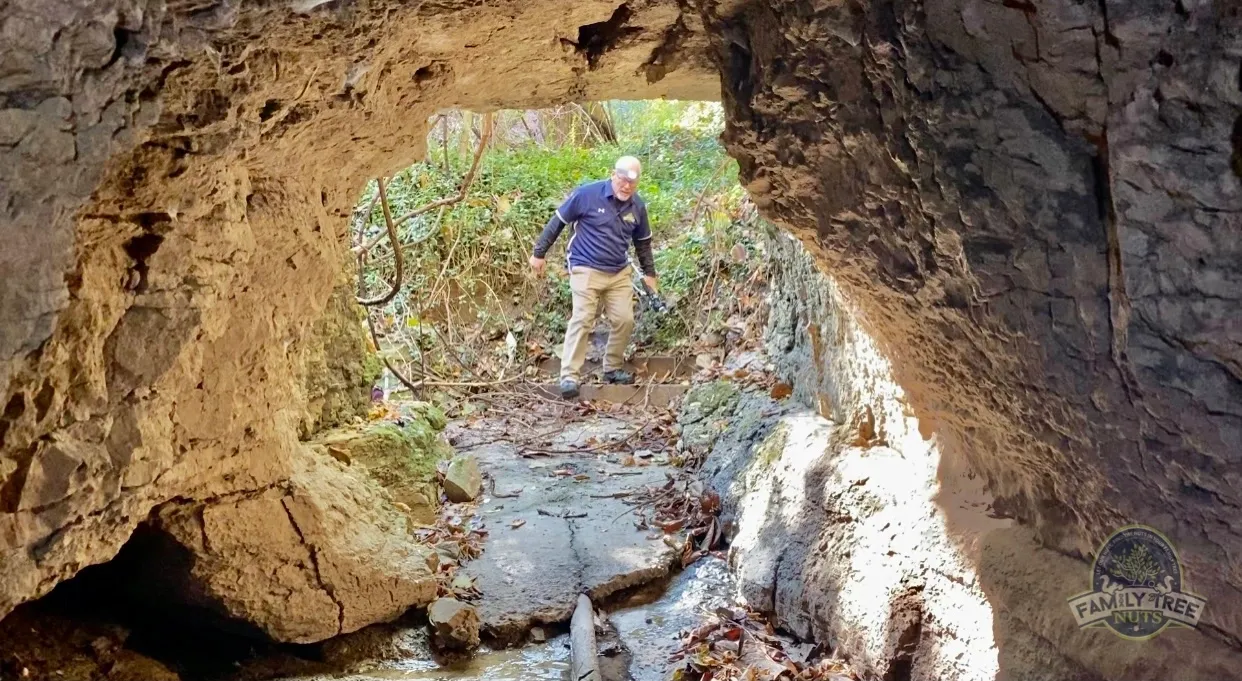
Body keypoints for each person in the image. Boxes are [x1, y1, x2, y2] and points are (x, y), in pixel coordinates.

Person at [529, 155, 658, 399]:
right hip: (585, 266)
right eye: (622, 180)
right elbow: (558, 221)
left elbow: (643, 243)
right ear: (613, 175)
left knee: (625, 319)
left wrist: (649, 274)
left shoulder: (637, 206)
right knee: (583, 317)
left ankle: (612, 367)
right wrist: (539, 253)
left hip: (619, 272)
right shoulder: (587, 195)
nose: (626, 186)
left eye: (632, 182)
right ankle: (569, 375)